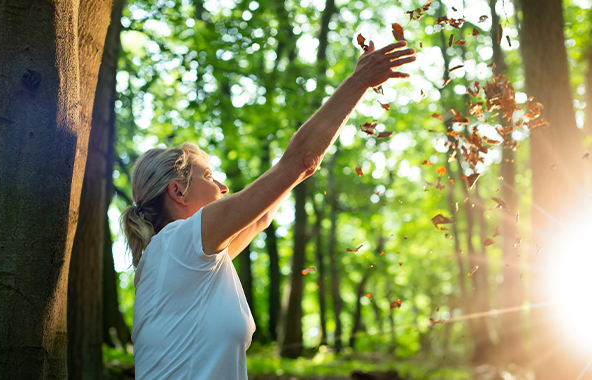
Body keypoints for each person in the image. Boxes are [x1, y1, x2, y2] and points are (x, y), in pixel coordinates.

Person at [120, 40, 416, 380]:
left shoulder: (186, 258)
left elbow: (262, 214)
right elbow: (300, 162)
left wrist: (291, 173)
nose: (223, 187)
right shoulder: (181, 241)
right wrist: (358, 82)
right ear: (178, 191)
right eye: (209, 176)